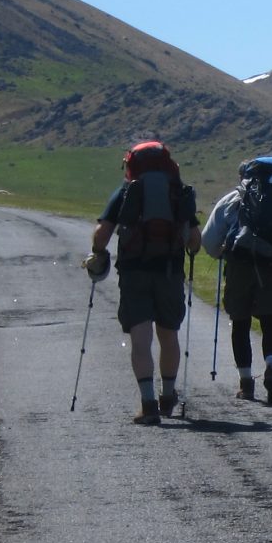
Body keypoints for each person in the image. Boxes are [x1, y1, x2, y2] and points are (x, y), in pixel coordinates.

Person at [84, 140, 200, 422]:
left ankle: (148, 404)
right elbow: (195, 242)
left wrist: (97, 252)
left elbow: (102, 236)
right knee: (168, 335)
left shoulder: (127, 190)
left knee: (141, 338)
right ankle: (168, 396)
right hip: (170, 272)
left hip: (134, 271)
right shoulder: (178, 191)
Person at [203, 156, 272, 403]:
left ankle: (246, 383)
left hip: (238, 268)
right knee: (270, 323)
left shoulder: (233, 200)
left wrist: (223, 254)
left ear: (244, 177)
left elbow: (209, 241)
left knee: (240, 323)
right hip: (271, 268)